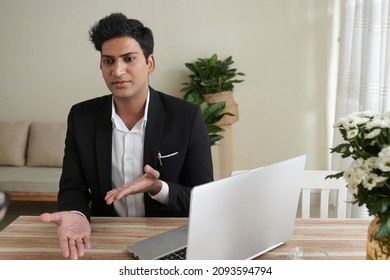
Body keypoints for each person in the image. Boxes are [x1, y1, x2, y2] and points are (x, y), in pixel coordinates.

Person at [40, 13, 213, 260]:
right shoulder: (82, 117)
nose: (118, 70)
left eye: (129, 59)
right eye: (108, 61)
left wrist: (158, 187)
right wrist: (76, 215)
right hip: (103, 239)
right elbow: (73, 186)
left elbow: (203, 198)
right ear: (101, 67)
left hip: (170, 241)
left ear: (150, 63)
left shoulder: (186, 117)